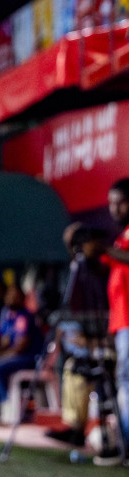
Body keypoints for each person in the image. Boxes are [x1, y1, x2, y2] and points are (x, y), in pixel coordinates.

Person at [101, 178, 129, 426]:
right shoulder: (122, 237)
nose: (114, 209)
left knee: (127, 378)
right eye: (111, 203)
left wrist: (102, 249)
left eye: (120, 203)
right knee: (124, 378)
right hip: (122, 322)